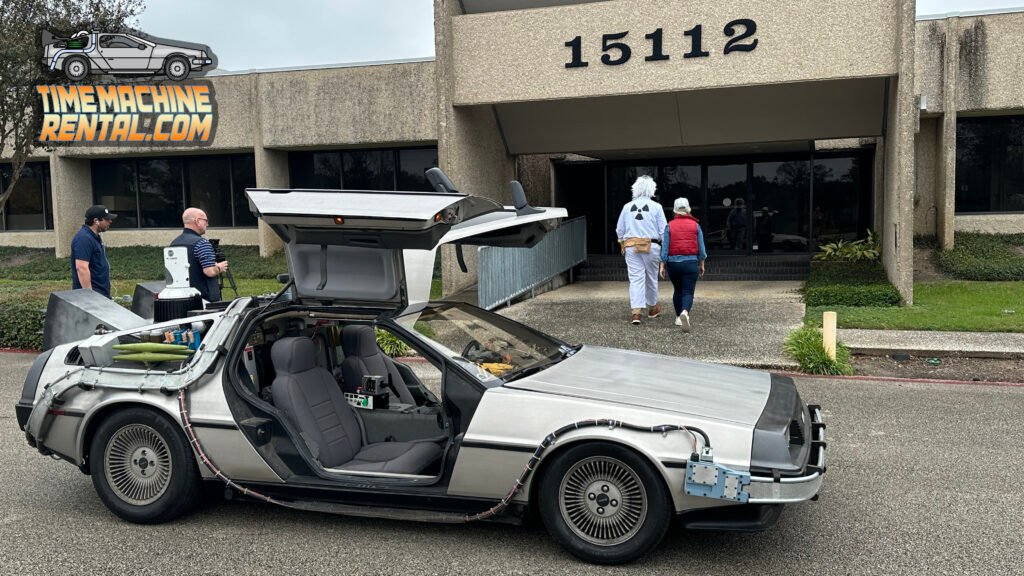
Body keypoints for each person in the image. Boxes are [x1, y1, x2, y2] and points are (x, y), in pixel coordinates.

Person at [615, 175, 667, 325]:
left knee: (636, 278)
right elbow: (663, 229)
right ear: (651, 189)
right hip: (652, 245)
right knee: (651, 276)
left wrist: (621, 242)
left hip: (631, 246)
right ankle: (652, 308)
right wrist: (665, 247)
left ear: (635, 189)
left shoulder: (627, 207)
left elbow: (620, 228)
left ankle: (636, 313)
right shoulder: (656, 207)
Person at [659, 197, 706, 332]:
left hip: (673, 264)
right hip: (691, 263)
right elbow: (701, 249)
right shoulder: (696, 226)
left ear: (675, 211)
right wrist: (701, 263)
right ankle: (685, 312)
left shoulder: (669, 226)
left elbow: (665, 247)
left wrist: (662, 264)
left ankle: (678, 317)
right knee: (688, 291)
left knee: (678, 290)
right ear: (688, 209)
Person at [169, 208, 228, 302]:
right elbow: (209, 271)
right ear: (197, 221)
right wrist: (219, 267)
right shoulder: (201, 243)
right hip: (204, 301)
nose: (207, 224)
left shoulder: (174, 243)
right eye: (206, 221)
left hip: (181, 298)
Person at [70, 205, 116, 298]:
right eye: (106, 219)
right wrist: (90, 297)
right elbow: (81, 268)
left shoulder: (94, 237)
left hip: (101, 294)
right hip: (92, 298)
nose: (110, 221)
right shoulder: (84, 239)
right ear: (96, 221)